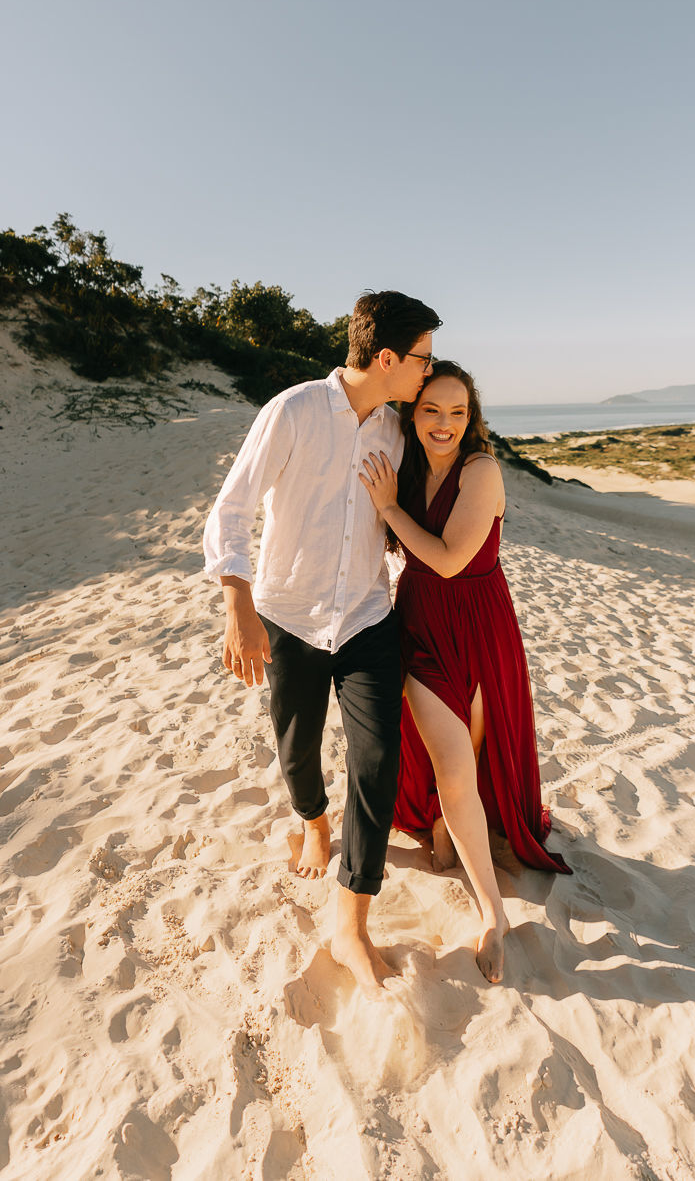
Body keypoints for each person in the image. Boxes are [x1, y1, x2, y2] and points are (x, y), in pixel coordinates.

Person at [203, 290, 441, 995]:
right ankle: (312, 820)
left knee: (377, 759)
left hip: (368, 616)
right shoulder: (295, 409)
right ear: (389, 357)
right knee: (296, 747)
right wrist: (237, 605)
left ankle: (352, 920)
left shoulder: (397, 434)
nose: (427, 372)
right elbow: (232, 508)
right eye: (421, 360)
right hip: (291, 617)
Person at [359, 360, 570, 984]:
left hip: (478, 624)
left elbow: (450, 560)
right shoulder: (407, 465)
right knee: (453, 768)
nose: (445, 423)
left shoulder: (483, 471)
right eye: (431, 410)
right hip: (420, 626)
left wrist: (391, 510)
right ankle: (492, 914)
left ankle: (454, 843)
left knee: (473, 760)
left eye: (457, 412)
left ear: (471, 417)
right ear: (412, 414)